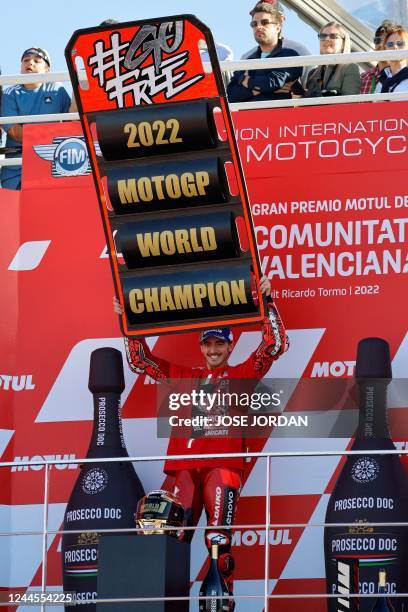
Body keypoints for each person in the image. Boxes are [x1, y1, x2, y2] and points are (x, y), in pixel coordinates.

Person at [114, 276, 288, 607]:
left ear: (230, 345)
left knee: (219, 543)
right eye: (208, 344)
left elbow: (274, 345)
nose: (213, 350)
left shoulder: (241, 375)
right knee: (168, 542)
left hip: (222, 470)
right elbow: (140, 361)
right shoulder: (181, 376)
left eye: (219, 344)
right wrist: (125, 320)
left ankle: (220, 603)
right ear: (201, 345)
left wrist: (267, 303)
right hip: (181, 471)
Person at [1, 48, 72, 190]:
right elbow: (14, 132)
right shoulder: (10, 93)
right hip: (18, 169)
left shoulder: (57, 89)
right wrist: (48, 139)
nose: (30, 63)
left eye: (36, 61)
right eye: (26, 60)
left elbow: (71, 124)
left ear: (47, 69)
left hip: (53, 162)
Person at [227, 3, 302, 102]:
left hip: (278, 115)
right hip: (247, 115)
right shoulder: (247, 61)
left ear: (278, 27)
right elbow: (231, 95)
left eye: (265, 22)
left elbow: (271, 83)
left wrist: (245, 80)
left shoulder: (289, 55)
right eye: (254, 24)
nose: (259, 27)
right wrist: (256, 90)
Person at [241, 0, 311, 85]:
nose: (259, 26)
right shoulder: (246, 57)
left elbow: (311, 89)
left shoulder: (299, 51)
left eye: (265, 21)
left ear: (280, 20)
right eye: (255, 22)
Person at [305, 22, 361, 97]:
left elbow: (350, 104)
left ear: (343, 43)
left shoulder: (350, 68)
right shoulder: (313, 73)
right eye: (323, 36)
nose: (327, 39)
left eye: (333, 36)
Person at [360, 20, 396, 94]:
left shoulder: (403, 78)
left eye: (386, 41)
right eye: (377, 40)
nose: (380, 45)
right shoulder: (363, 78)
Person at [380, 26, 408, 93]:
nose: (395, 47)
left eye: (400, 43)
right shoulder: (381, 78)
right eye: (390, 44)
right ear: (385, 48)